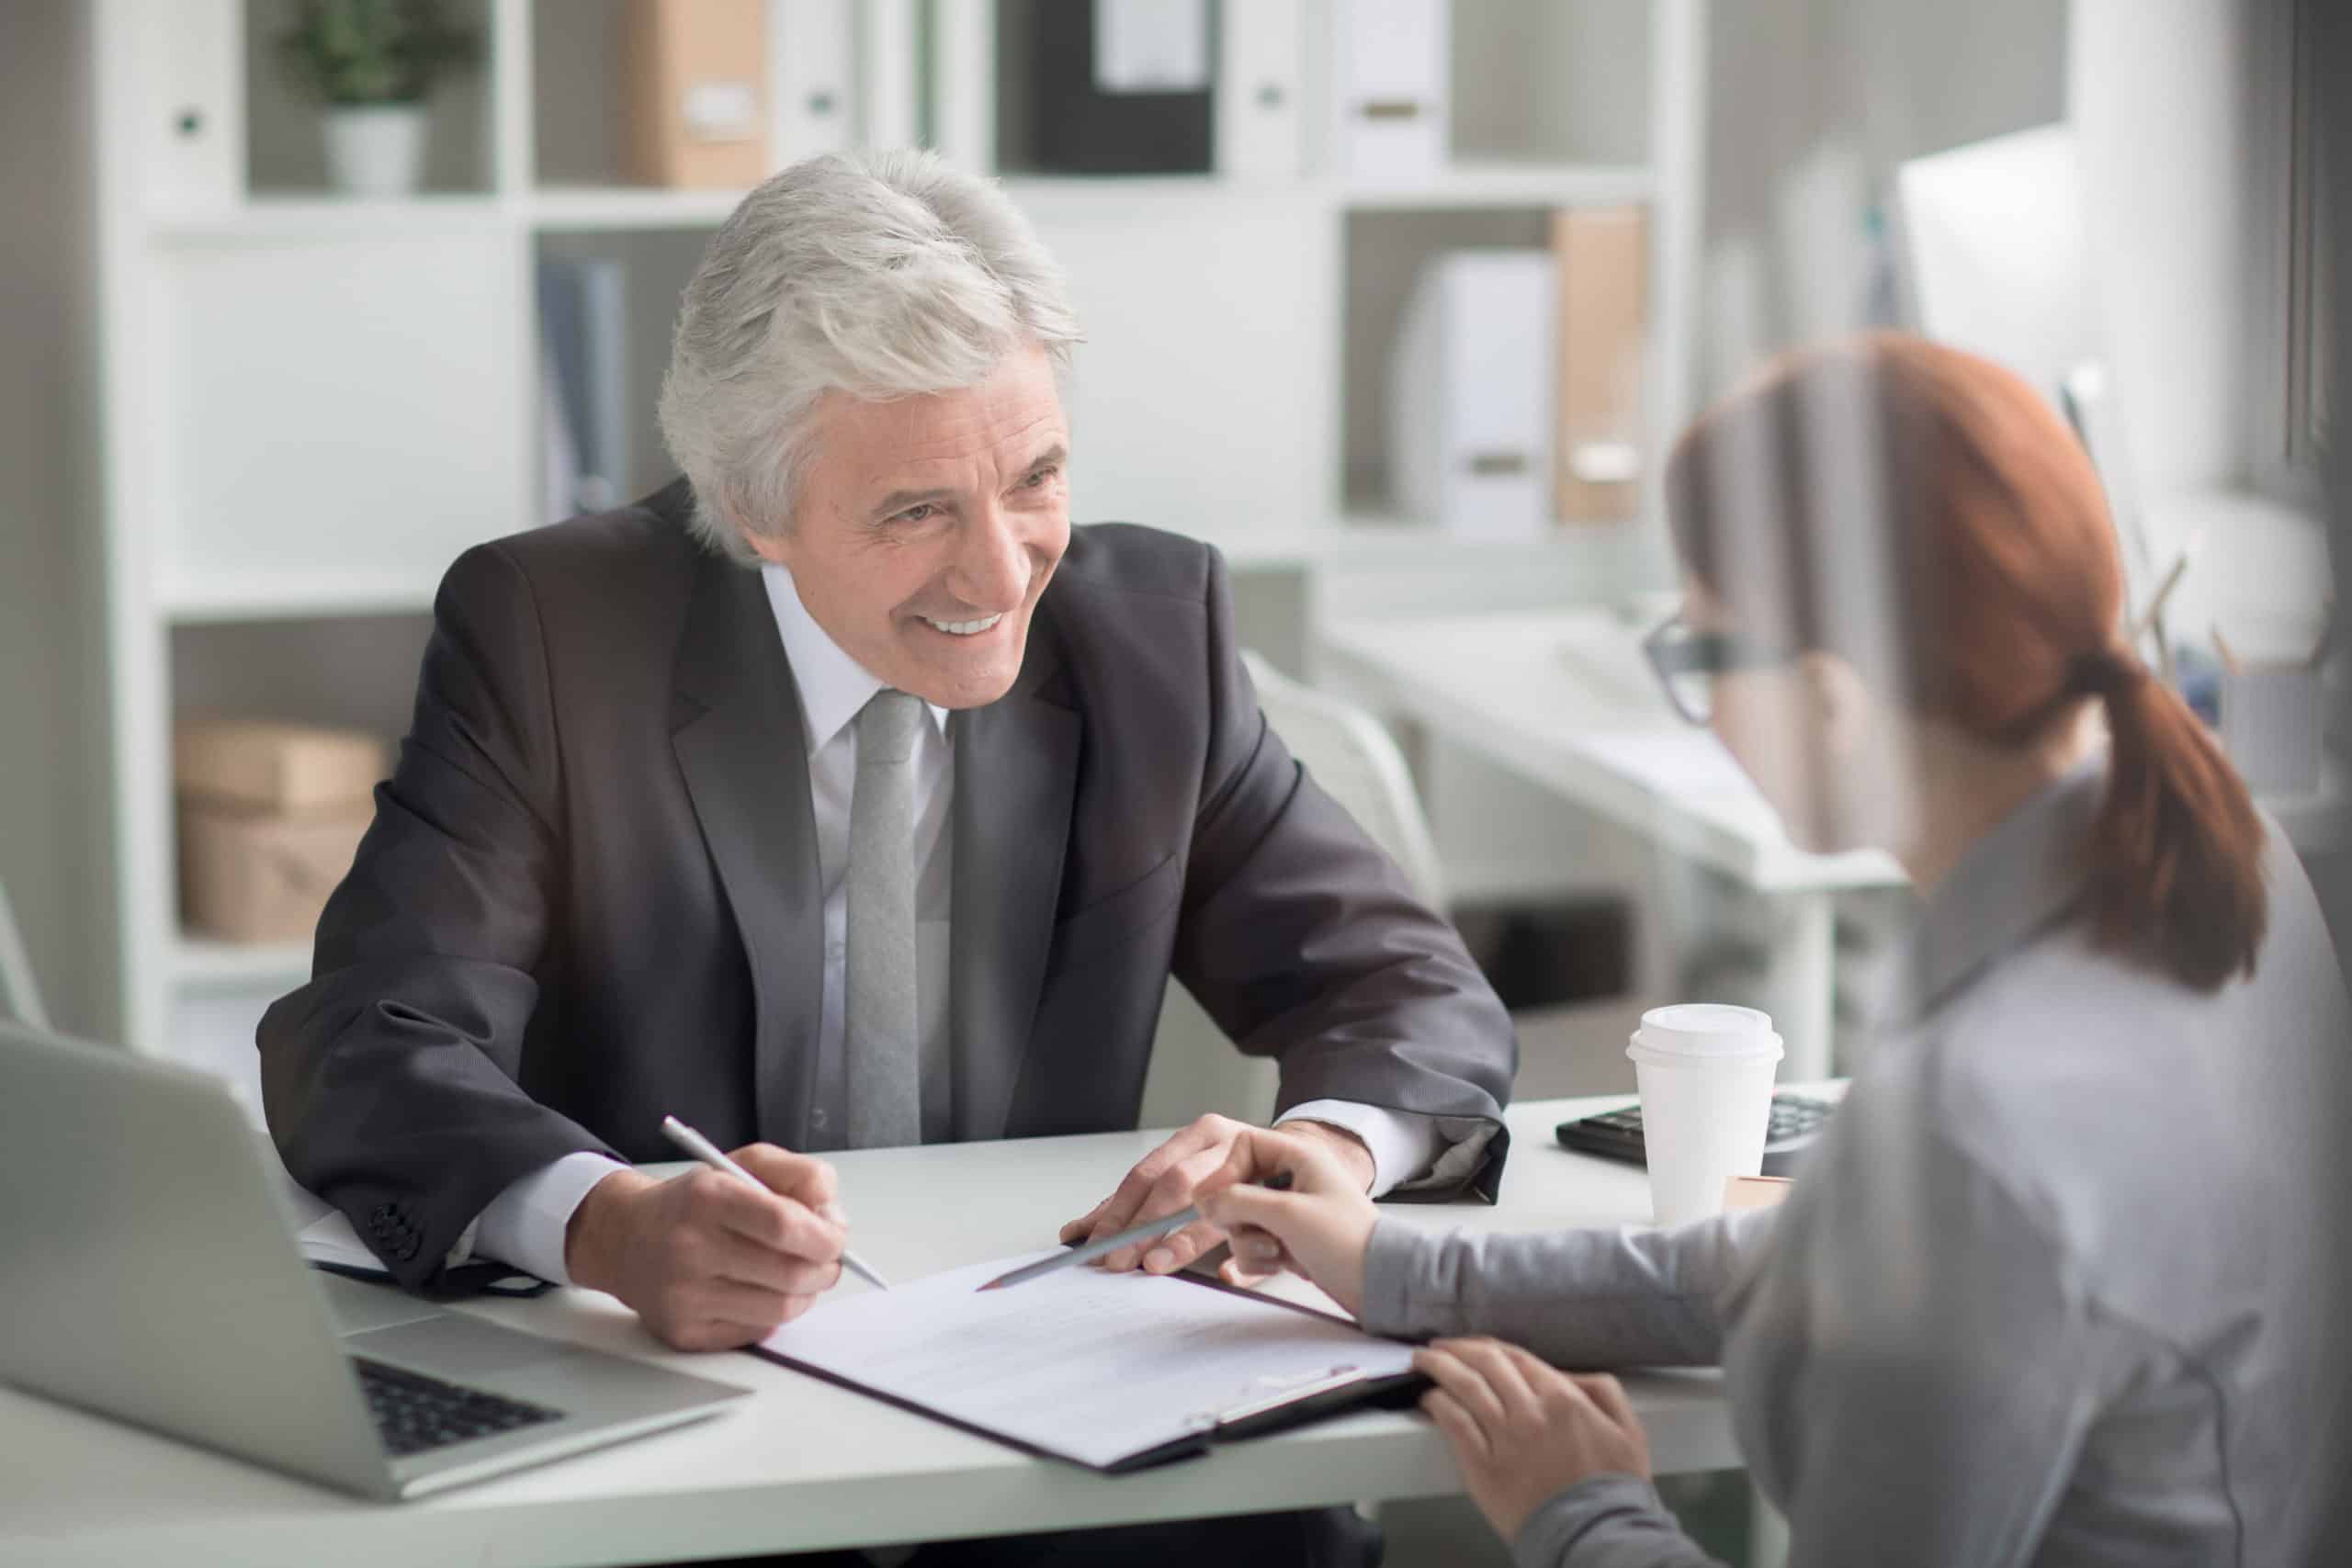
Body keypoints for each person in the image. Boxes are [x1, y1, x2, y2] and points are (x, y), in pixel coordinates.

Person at [259, 149, 1516, 1565]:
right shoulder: (554, 633)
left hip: (1066, 1432)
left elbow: (1407, 990)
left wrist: (1316, 1154)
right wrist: (604, 1226)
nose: (1002, 573)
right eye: (918, 512)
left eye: (1035, 478)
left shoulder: (1149, 629)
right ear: (754, 506)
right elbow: (369, 1037)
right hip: (700, 1444)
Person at [1193, 333, 2352, 1567]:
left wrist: (1581, 1512)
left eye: (1701, 654)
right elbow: (1835, 1266)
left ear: (1834, 696)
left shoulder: (1977, 1120)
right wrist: (1395, 1270)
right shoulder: (2225, 862)